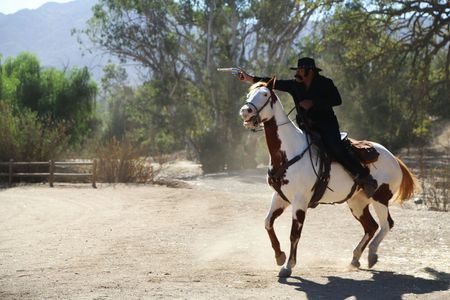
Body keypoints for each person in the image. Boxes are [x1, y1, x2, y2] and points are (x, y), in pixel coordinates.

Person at [237, 57, 378, 198]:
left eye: (300, 70)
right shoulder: (294, 85)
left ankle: (365, 178)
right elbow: (274, 83)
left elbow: (337, 100)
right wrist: (250, 78)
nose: (297, 72)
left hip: (326, 126)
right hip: (305, 127)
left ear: (309, 71)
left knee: (335, 147)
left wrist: (313, 103)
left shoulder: (325, 83)